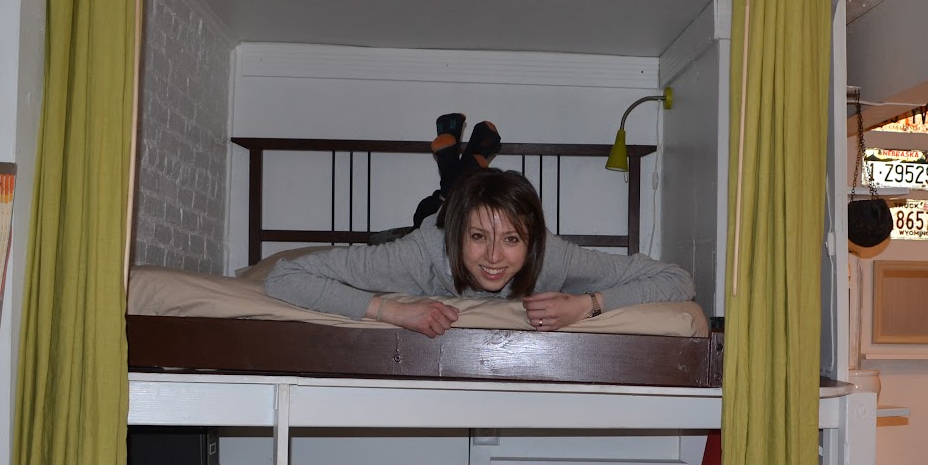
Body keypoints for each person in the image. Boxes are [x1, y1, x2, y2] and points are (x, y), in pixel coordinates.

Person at [265, 168, 695, 338]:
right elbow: (284, 276)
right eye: (478, 237)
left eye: (511, 240)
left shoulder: (553, 256)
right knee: (415, 219)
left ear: (532, 241)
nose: (493, 257)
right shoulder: (415, 255)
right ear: (457, 236)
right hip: (423, 228)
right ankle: (453, 181)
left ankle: (462, 166)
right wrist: (390, 311)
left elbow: (676, 280)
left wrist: (587, 305)